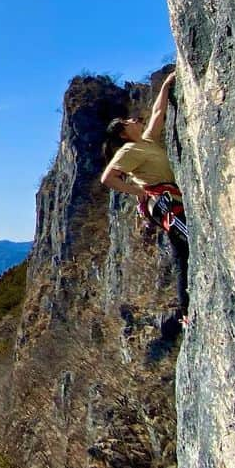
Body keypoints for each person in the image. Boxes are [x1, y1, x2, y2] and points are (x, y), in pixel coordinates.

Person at [100, 70, 190, 324]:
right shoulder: (128, 150)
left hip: (168, 199)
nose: (134, 120)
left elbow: (159, 114)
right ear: (123, 133)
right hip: (163, 202)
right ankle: (186, 310)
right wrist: (140, 192)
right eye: (128, 121)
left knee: (182, 250)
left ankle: (185, 309)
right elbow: (108, 178)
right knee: (188, 241)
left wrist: (166, 86)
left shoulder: (147, 141)